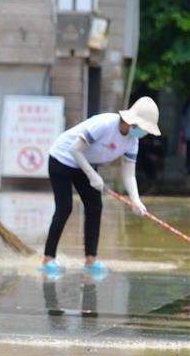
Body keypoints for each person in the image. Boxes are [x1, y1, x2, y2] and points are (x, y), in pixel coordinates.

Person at [41, 96, 159, 275]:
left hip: (86, 164)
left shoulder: (132, 142)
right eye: (144, 128)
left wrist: (136, 201)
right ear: (132, 122)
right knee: (64, 208)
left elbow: (129, 174)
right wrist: (92, 175)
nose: (145, 133)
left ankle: (91, 259)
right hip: (62, 159)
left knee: (95, 207)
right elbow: (75, 149)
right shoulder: (104, 124)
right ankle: (48, 258)